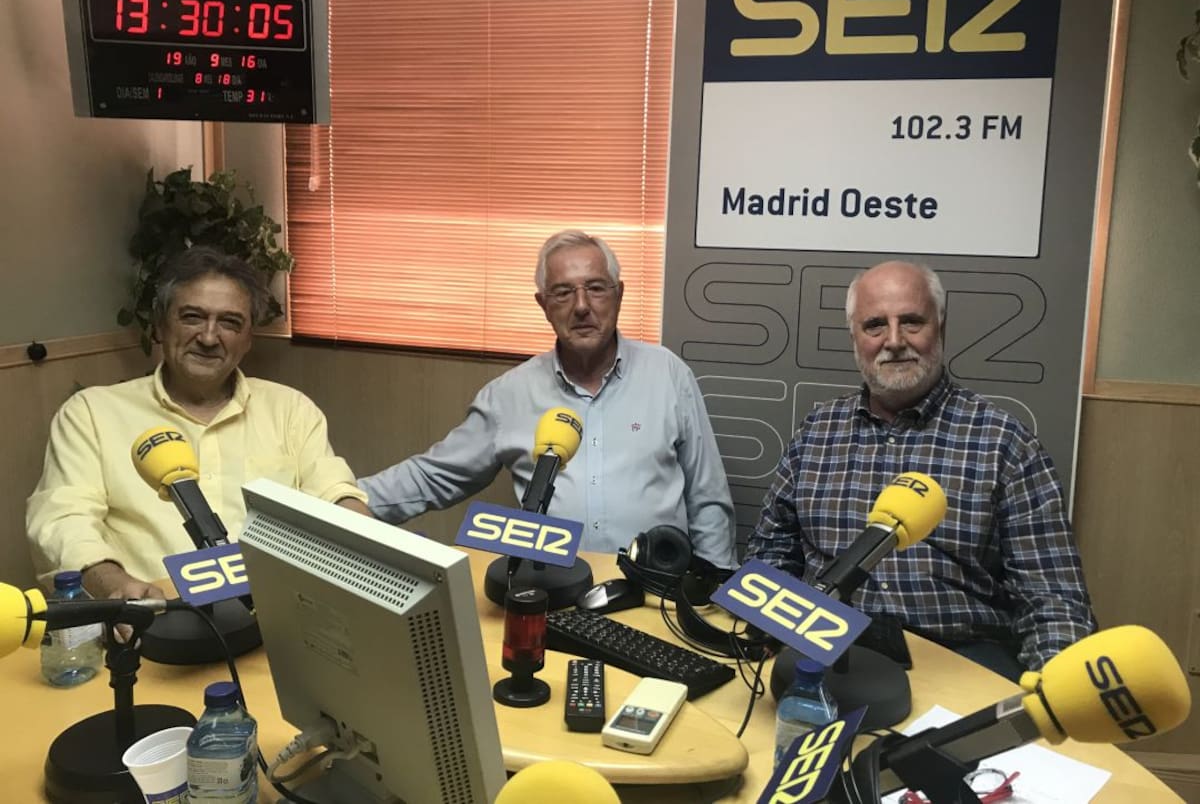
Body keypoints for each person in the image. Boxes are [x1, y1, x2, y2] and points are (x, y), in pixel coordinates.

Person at [746, 260, 1096, 678]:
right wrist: (771, 631)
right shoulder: (816, 433)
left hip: (960, 659)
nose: (894, 341)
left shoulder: (1004, 443)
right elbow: (770, 554)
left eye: (912, 322)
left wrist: (1055, 690)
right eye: (875, 325)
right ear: (854, 337)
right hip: (827, 649)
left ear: (941, 328)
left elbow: (1054, 599)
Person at [354, 230, 737, 568]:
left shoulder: (668, 375)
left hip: (655, 595)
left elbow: (708, 499)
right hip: (554, 594)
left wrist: (711, 593)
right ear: (543, 305)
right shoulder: (509, 395)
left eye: (596, 288)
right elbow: (434, 475)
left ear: (618, 295)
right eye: (563, 292)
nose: (582, 306)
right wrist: (339, 498)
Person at [27, 246, 367, 600]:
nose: (208, 337)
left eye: (230, 323)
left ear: (248, 339)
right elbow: (63, 521)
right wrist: (115, 586)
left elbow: (335, 494)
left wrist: (368, 542)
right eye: (192, 317)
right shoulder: (91, 414)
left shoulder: (291, 409)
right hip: (153, 616)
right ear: (160, 325)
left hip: (277, 611)